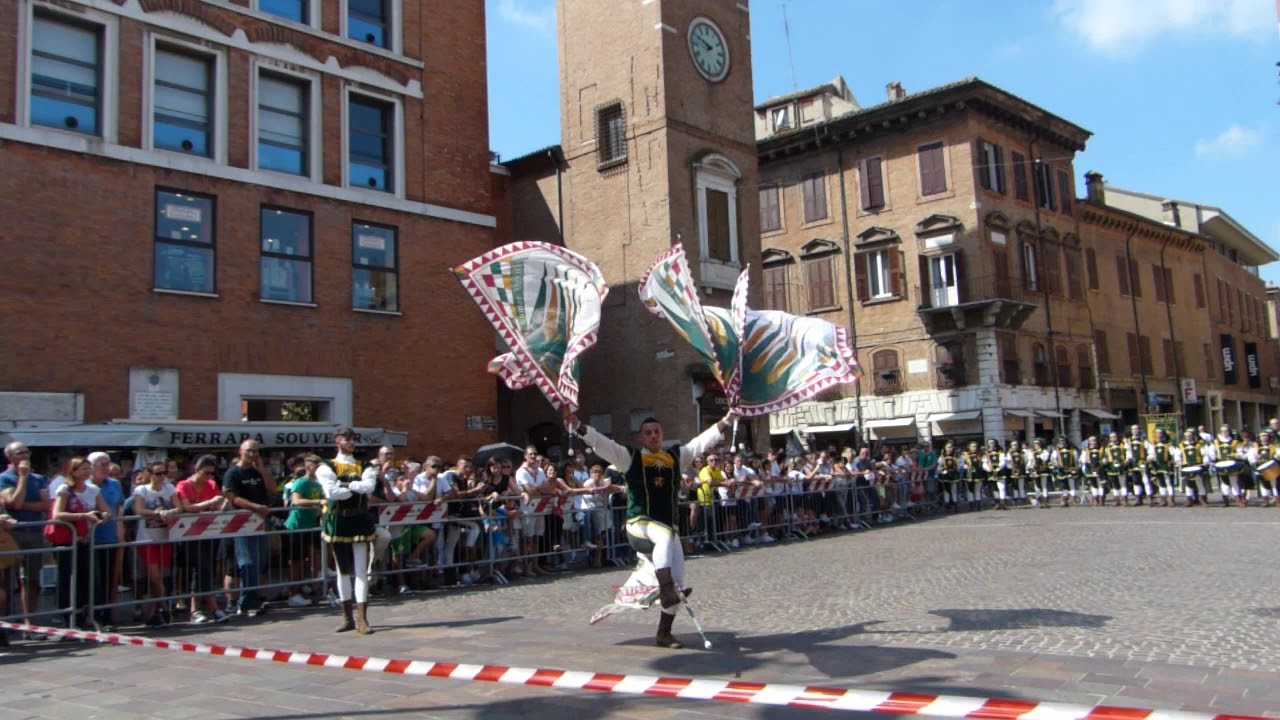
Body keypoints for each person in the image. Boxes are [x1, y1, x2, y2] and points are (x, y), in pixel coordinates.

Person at [568, 408, 737, 649]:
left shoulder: (676, 456)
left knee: (678, 582)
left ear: (662, 434)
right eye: (648, 433)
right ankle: (665, 588)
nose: (653, 436)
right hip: (639, 525)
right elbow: (603, 445)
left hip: (667, 531)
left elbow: (702, 442)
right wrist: (581, 428)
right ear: (641, 438)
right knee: (665, 538)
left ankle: (664, 632)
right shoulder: (630, 458)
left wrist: (726, 420)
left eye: (657, 431)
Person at [316, 427, 377, 634]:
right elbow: (332, 493)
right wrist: (354, 485)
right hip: (338, 520)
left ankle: (362, 618)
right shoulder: (326, 466)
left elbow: (368, 487)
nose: (351, 442)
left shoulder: (365, 465)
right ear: (337, 442)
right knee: (343, 570)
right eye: (346, 439)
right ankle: (346, 616)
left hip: (359, 519)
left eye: (353, 439)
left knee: (361, 569)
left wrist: (345, 485)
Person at [51, 457, 109, 629]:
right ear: (74, 471)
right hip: (68, 542)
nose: (87, 471)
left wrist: (103, 517)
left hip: (87, 541)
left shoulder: (93, 489)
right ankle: (67, 617)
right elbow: (57, 514)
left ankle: (87, 616)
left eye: (88, 468)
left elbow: (106, 511)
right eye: (83, 468)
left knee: (88, 579)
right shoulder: (65, 489)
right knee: (67, 580)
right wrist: (83, 516)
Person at [222, 439, 277, 617]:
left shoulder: (257, 471)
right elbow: (233, 497)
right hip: (243, 522)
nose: (252, 455)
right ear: (241, 451)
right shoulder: (233, 473)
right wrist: (255, 507)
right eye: (249, 451)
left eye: (256, 452)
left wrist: (261, 467)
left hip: (260, 522)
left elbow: (272, 488)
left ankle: (254, 599)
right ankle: (246, 601)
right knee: (247, 563)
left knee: (260, 561)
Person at [174, 455, 230, 623]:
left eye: (212, 474)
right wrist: (210, 503)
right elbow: (187, 507)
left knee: (206, 569)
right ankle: (201, 609)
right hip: (189, 533)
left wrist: (223, 502)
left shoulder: (211, 484)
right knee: (198, 569)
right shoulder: (183, 485)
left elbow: (217, 506)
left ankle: (204, 608)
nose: (209, 478)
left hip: (208, 532)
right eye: (206, 473)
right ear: (197, 470)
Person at [0, 441, 51, 625]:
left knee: (32, 579)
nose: (24, 456)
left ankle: (30, 621)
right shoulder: (5, 478)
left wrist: (21, 505)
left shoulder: (38, 479)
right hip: (13, 534)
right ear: (10, 457)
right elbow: (14, 503)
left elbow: (46, 505)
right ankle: (6, 623)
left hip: (35, 531)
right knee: (7, 581)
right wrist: (22, 478)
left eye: (26, 452)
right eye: (19, 453)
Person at [132, 462, 180, 626]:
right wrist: (157, 513)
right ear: (150, 474)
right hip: (147, 538)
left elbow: (179, 507)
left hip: (165, 537)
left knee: (159, 576)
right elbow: (138, 510)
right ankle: (164, 606)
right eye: (158, 473)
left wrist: (170, 511)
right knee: (154, 576)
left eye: (164, 473)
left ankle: (153, 613)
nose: (162, 477)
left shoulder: (169, 488)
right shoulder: (142, 490)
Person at [87, 451, 125, 629]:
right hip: (90, 538)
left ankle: (107, 614)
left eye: (107, 463)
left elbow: (118, 509)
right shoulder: (85, 485)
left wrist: (120, 532)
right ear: (91, 467)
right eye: (101, 464)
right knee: (94, 579)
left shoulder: (115, 484)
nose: (106, 467)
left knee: (110, 577)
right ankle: (91, 614)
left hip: (110, 536)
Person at [283, 455, 326, 607]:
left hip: (310, 525)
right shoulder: (301, 482)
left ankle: (305, 587)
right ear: (309, 467)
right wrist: (318, 502)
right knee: (296, 562)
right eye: (316, 465)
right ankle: (292, 594)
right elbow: (296, 501)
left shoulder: (318, 484)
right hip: (296, 526)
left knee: (309, 560)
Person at [1178, 428, 1212, 507]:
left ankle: (1203, 499)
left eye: (1190, 436)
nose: (1188, 437)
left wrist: (1206, 461)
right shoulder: (1181, 445)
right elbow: (1178, 455)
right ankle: (1189, 499)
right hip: (1186, 466)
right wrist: (1178, 461)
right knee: (1188, 483)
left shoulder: (1199, 445)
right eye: (1186, 436)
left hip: (1197, 465)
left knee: (1199, 482)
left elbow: (1205, 454)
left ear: (1193, 436)